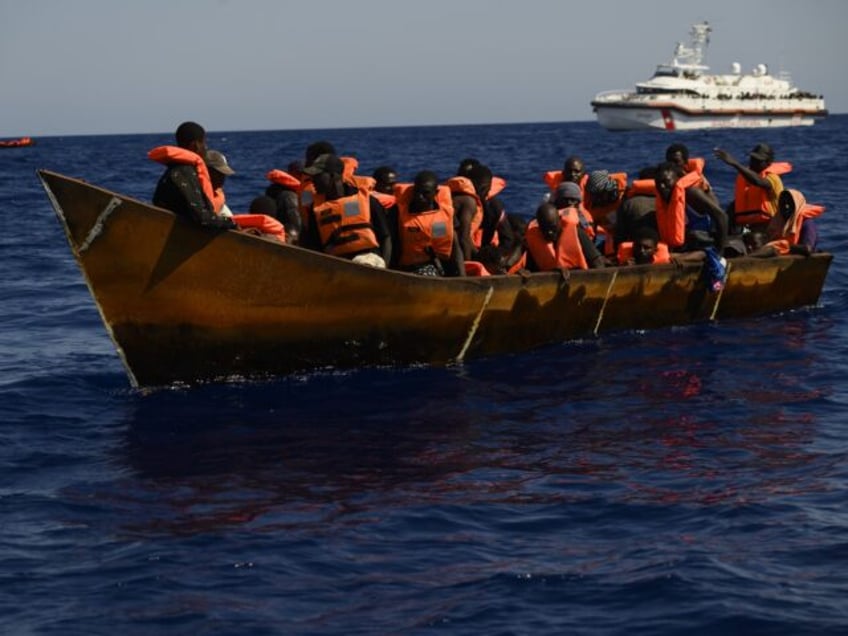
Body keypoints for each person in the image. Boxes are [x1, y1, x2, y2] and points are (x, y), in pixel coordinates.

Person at [302, 153, 392, 267]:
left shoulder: (367, 200)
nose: (312, 180)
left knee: (362, 262)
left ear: (333, 176)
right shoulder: (315, 208)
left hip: (369, 259)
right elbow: (314, 246)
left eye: (317, 176)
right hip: (336, 264)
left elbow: (385, 237)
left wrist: (385, 269)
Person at [150, 121, 236, 229]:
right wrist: (232, 224)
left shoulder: (175, 170)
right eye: (204, 143)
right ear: (195, 145)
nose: (206, 148)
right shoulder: (184, 172)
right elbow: (203, 219)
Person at [392, 170, 464, 276]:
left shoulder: (445, 214)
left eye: (425, 193)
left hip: (441, 265)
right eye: (417, 192)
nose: (420, 197)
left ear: (436, 193)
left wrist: (462, 276)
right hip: (409, 267)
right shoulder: (399, 212)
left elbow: (455, 246)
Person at [713, 143, 791, 232]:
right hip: (749, 228)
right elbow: (734, 206)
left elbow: (759, 182)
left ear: (768, 162)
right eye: (752, 159)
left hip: (770, 228)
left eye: (758, 161)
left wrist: (735, 164)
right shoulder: (746, 180)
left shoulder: (773, 178)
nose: (754, 163)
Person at [654, 161, 728, 253]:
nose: (662, 186)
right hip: (685, 249)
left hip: (706, 246)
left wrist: (720, 253)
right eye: (658, 183)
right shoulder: (664, 200)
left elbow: (722, 216)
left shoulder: (691, 194)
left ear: (678, 179)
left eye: (666, 181)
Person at [524, 202, 605, 272]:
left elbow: (597, 262)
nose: (549, 232)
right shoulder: (535, 242)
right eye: (545, 228)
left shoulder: (577, 234)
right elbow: (531, 269)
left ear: (559, 221)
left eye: (553, 227)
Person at [750, 188, 823, 257]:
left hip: (798, 261)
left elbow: (808, 249)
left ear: (797, 205)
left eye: (790, 203)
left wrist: (783, 247)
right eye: (783, 203)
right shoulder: (779, 221)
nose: (786, 206)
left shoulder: (807, 223)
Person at [265, 160, 303, 243]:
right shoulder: (289, 197)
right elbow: (296, 224)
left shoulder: (277, 191)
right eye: (301, 174)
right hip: (290, 240)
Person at [205, 149, 236, 217]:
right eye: (218, 174)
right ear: (207, 171)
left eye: (223, 175)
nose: (222, 178)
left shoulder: (218, 198)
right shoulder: (195, 196)